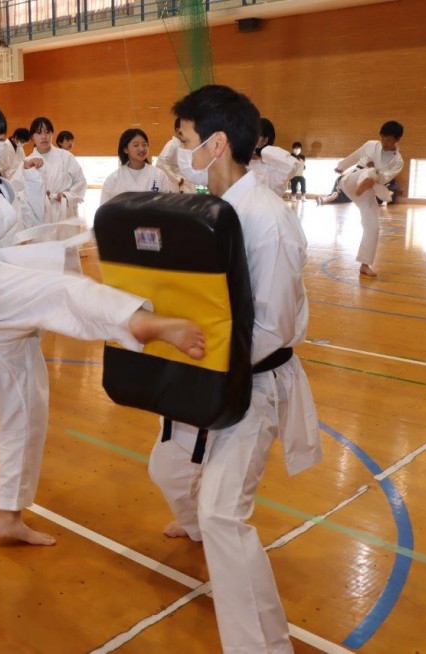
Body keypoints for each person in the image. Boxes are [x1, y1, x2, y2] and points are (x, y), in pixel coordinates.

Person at [0, 96, 206, 547]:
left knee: (26, 410)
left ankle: (8, 515)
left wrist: (20, 200)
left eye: (2, 138)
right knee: (65, 292)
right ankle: (135, 322)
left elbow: (6, 226)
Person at [148, 84, 321, 654]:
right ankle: (193, 519)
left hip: (251, 382)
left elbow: (269, 328)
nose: (180, 154)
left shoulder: (265, 220)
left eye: (186, 141)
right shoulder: (211, 211)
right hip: (207, 371)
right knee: (168, 465)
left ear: (217, 143)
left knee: (225, 515)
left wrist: (194, 349)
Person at [334, 120, 404, 277]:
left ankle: (364, 265)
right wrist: (341, 166)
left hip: (369, 190)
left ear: (397, 140)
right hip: (351, 180)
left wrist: (374, 173)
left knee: (373, 227)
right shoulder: (371, 145)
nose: (385, 142)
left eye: (389, 139)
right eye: (383, 138)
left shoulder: (398, 161)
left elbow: (385, 178)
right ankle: (368, 177)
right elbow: (355, 155)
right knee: (368, 171)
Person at [26, 117, 87, 224]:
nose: (44, 136)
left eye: (47, 132)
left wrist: (67, 196)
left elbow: (80, 181)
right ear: (32, 137)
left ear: (52, 134)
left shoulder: (66, 156)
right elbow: (19, 192)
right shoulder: (27, 162)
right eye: (39, 133)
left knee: (67, 240)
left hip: (64, 211)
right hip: (40, 216)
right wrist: (38, 197)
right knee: (43, 239)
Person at [100, 128, 178, 204]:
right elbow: (105, 210)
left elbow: (168, 204)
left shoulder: (159, 175)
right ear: (125, 149)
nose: (141, 149)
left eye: (144, 145)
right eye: (136, 145)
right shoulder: (114, 179)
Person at [248, 117, 298, 197]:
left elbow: (293, 165)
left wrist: (262, 150)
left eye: (255, 135)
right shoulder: (242, 162)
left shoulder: (273, 166)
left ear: (265, 140)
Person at [155, 118, 193, 193]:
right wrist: (177, 179)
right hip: (177, 186)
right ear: (178, 130)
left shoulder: (186, 146)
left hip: (187, 184)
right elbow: (161, 163)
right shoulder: (172, 144)